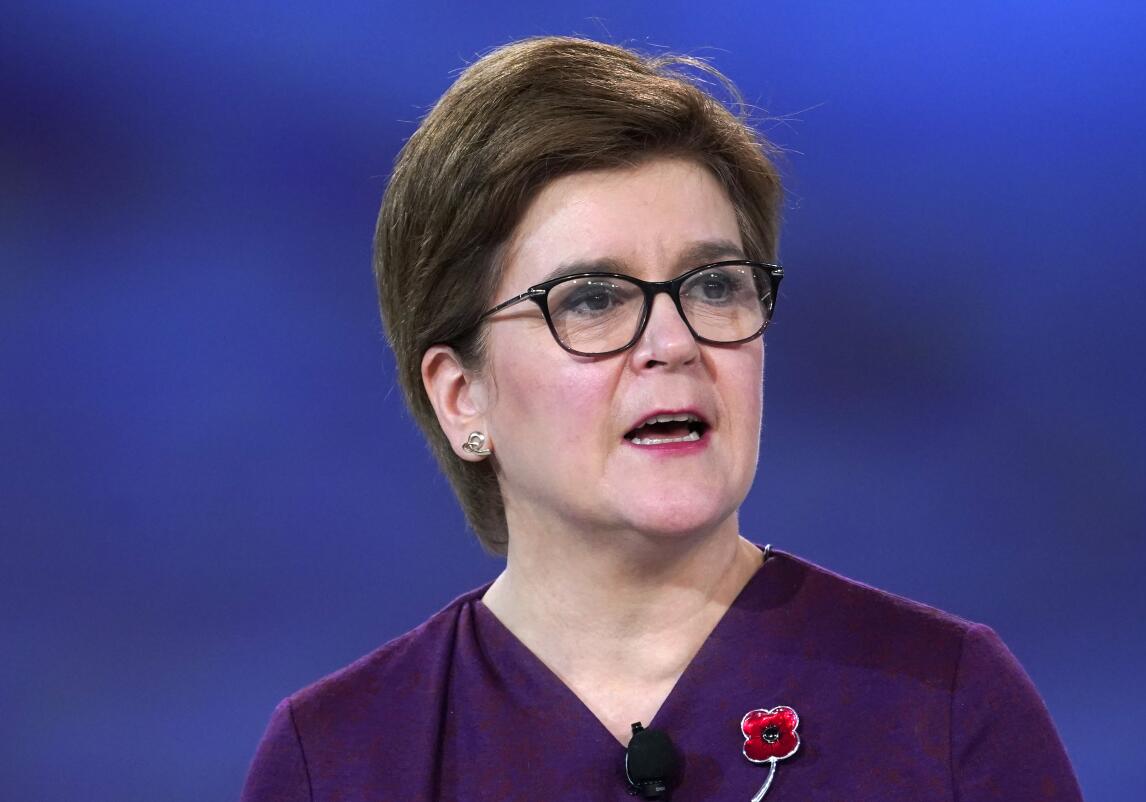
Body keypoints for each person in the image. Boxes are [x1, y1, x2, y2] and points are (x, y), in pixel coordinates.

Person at [241, 36, 1083, 801]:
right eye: (595, 299)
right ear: (464, 395)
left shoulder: (945, 705)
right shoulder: (341, 762)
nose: (673, 342)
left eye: (715, 285)